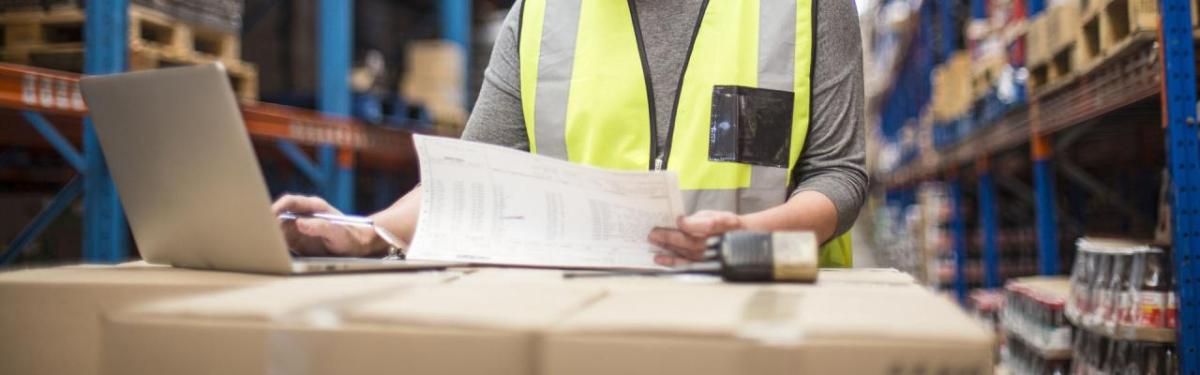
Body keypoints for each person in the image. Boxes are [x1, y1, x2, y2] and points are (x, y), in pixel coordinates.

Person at [273, 0, 867, 267]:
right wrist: (368, 233)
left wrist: (747, 237)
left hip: (763, 309)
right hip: (592, 316)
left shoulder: (802, 7)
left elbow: (839, 174)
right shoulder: (542, 13)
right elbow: (476, 174)